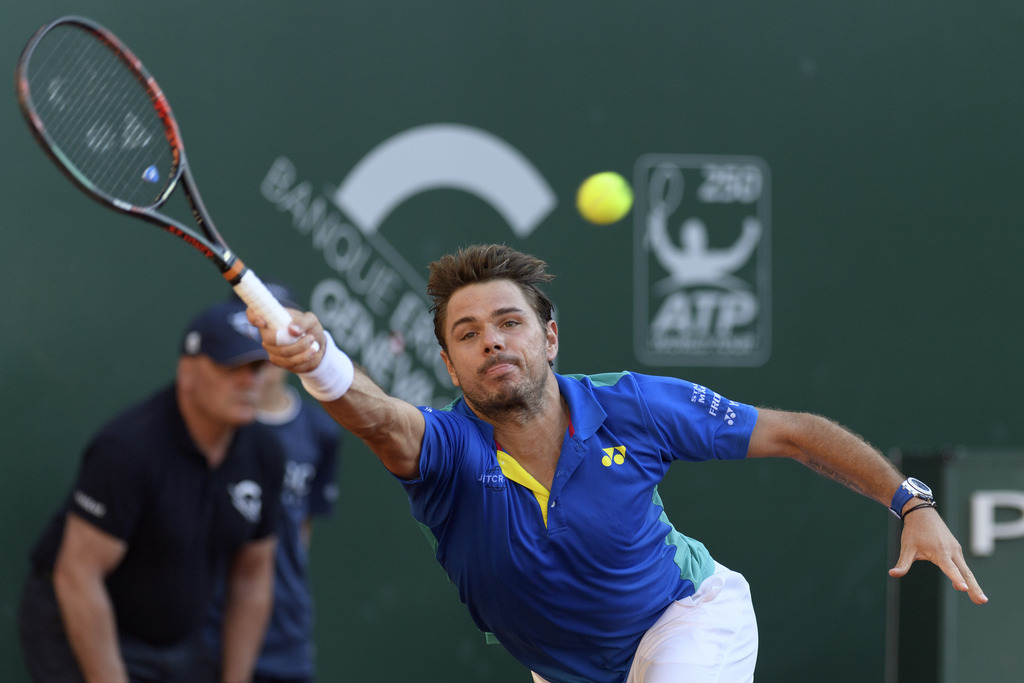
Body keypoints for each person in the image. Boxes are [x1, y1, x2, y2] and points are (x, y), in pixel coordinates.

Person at [246, 244, 987, 683]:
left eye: (510, 322)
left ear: (550, 337)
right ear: (448, 363)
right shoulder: (444, 454)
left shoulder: (634, 407)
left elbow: (792, 432)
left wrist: (910, 502)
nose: (493, 342)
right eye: (468, 334)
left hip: (687, 618)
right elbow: (377, 415)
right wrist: (323, 363)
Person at [19, 300, 285, 683]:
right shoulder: (128, 449)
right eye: (232, 368)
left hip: (179, 645)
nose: (249, 381)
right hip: (77, 623)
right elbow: (78, 575)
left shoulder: (266, 456)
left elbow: (252, 577)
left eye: (258, 367)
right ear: (188, 372)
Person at [205, 287, 342, 683]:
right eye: (257, 326)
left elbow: (302, 532)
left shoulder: (320, 432)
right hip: (203, 629)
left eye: (280, 326)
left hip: (284, 636)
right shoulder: (214, 422)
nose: (267, 345)